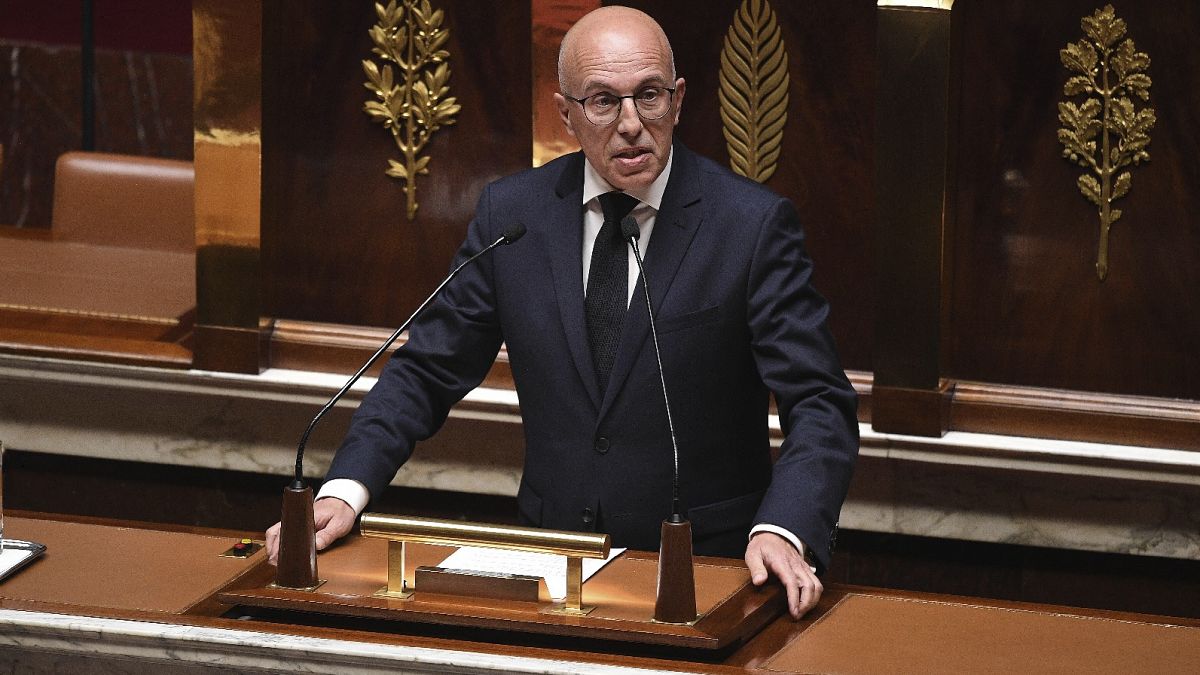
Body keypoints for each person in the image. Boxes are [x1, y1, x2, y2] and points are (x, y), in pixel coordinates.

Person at [267, 6, 857, 620]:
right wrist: (346, 488)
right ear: (566, 114)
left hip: (711, 570)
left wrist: (784, 526)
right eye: (603, 101)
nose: (631, 124)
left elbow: (819, 400)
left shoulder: (750, 226)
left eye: (649, 96)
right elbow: (427, 370)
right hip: (553, 567)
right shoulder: (512, 216)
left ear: (678, 100)